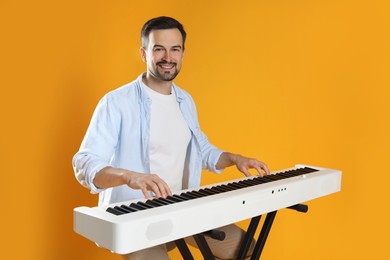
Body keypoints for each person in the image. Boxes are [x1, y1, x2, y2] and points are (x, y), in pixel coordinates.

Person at [73, 16, 270, 260]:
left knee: (246, 248)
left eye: (174, 49)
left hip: (182, 209)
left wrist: (235, 158)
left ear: (183, 54)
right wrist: (130, 176)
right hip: (136, 218)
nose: (168, 57)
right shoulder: (116, 102)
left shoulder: (185, 101)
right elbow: (85, 162)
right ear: (144, 53)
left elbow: (203, 150)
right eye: (159, 49)